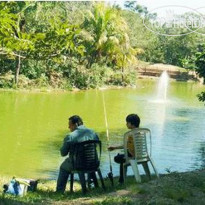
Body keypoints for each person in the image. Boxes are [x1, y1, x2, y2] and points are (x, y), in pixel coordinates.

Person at [56, 115, 99, 193]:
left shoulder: (70, 136)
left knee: (63, 167)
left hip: (78, 164)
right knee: (86, 160)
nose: (69, 127)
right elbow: (95, 145)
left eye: (70, 125)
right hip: (93, 162)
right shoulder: (92, 132)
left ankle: (59, 191)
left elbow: (63, 153)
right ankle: (93, 185)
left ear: (76, 124)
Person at [108, 114, 151, 184]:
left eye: (127, 122)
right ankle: (122, 180)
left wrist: (115, 148)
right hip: (143, 155)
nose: (126, 124)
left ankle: (121, 181)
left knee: (118, 158)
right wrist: (115, 147)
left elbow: (126, 146)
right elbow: (128, 145)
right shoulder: (141, 132)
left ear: (132, 124)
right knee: (123, 157)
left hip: (133, 156)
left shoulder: (130, 134)